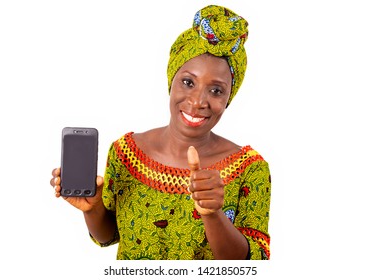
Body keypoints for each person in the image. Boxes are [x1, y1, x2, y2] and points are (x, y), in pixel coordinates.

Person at [51, 5, 271, 260]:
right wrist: (92, 208)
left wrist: (212, 214)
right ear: (172, 80)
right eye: (188, 82)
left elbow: (252, 264)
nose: (198, 101)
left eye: (216, 90)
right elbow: (108, 235)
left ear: (229, 98)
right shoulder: (125, 152)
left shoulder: (250, 170)